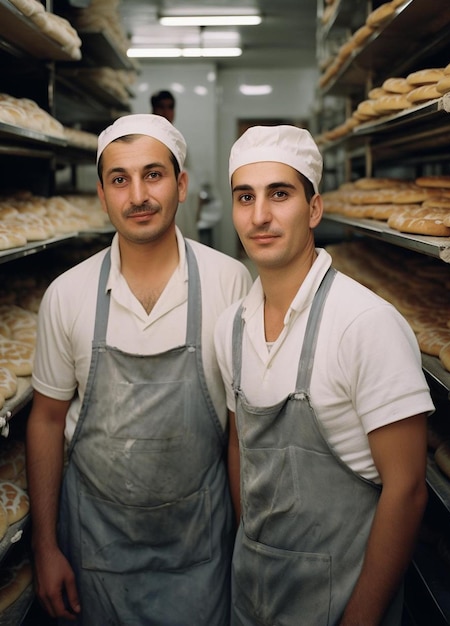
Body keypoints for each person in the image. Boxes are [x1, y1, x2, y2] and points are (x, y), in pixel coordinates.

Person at [26, 113, 252, 625]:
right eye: (119, 179)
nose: (138, 195)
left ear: (182, 185)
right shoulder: (67, 295)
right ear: (103, 196)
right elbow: (44, 422)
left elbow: (243, 431)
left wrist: (245, 542)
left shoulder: (229, 283)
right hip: (94, 556)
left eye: (154, 174)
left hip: (203, 552)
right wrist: (44, 547)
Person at [214, 124, 435, 626]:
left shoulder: (365, 324)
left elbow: (408, 488)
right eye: (245, 197)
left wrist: (361, 617)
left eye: (280, 194)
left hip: (343, 604)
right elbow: (239, 446)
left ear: (314, 208)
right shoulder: (230, 327)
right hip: (252, 597)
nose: (260, 216)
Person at [151, 88, 200, 241]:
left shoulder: (179, 141)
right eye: (161, 107)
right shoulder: (146, 139)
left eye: (170, 107)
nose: (166, 112)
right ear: (153, 109)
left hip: (182, 213)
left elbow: (191, 179)